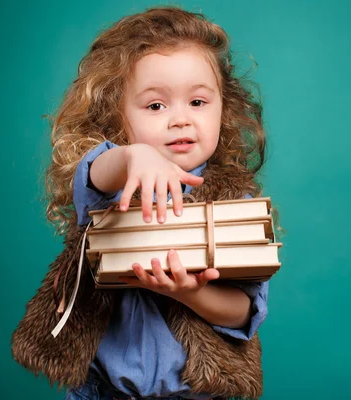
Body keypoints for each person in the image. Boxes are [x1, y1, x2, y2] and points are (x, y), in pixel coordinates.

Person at [44, 6, 271, 400]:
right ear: (117, 114)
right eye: (155, 106)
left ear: (224, 108)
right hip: (101, 392)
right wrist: (133, 157)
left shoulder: (235, 202)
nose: (180, 119)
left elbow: (244, 311)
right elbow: (95, 169)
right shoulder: (113, 183)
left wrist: (186, 292)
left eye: (198, 102)